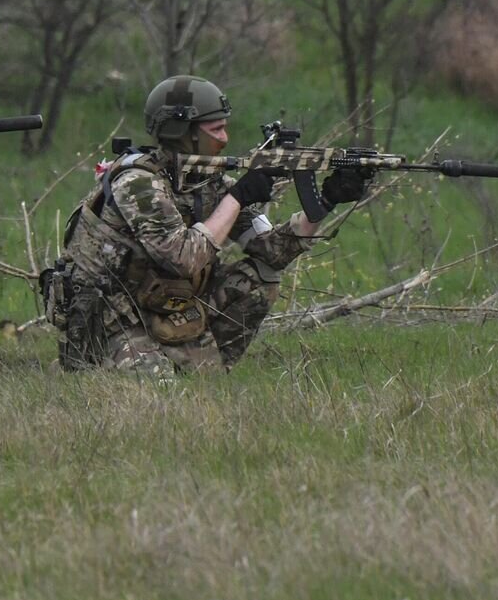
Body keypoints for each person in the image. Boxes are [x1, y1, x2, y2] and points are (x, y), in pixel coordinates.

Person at [47, 75, 371, 376]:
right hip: (109, 319)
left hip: (165, 309)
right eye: (215, 130)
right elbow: (182, 257)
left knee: (261, 279)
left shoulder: (210, 184)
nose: (225, 138)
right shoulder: (138, 184)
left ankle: (205, 366)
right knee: (157, 394)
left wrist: (326, 202)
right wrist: (238, 197)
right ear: (181, 132)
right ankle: (137, 364)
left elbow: (271, 252)